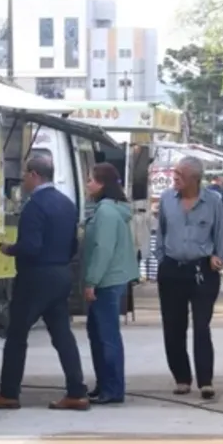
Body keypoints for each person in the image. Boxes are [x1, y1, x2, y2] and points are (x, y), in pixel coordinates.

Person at [0, 156, 88, 410]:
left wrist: (9, 249)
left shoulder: (34, 206)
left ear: (35, 175)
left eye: (25, 173)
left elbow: (31, 246)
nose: (23, 179)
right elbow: (73, 244)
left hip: (35, 277)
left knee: (17, 334)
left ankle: (8, 392)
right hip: (60, 274)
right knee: (62, 335)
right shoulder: (67, 204)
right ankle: (76, 390)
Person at [155, 156, 223, 399]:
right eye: (174, 173)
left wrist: (218, 256)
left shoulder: (213, 201)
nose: (174, 178)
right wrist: (162, 259)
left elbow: (220, 233)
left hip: (202, 270)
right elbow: (161, 231)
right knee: (173, 326)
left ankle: (205, 380)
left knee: (201, 325)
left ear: (195, 179)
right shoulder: (166, 199)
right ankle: (182, 378)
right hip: (172, 269)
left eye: (180, 175)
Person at [82, 163, 140, 405]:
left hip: (106, 280)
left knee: (106, 335)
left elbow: (102, 249)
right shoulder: (113, 209)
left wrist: (91, 281)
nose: (87, 184)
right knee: (99, 333)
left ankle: (112, 388)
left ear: (102, 183)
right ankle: (105, 384)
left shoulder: (105, 212)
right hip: (113, 278)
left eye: (90, 180)